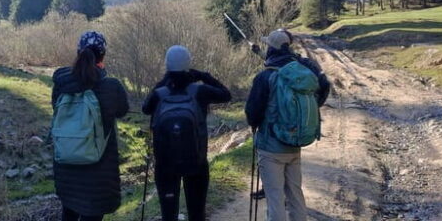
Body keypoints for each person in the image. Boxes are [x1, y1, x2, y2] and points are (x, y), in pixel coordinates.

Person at [245, 29, 331, 221]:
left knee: (275, 198)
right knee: (295, 195)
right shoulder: (302, 71)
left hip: (271, 147)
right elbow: (323, 86)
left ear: (272, 48)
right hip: (295, 143)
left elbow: (252, 113)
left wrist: (255, 123)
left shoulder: (265, 76)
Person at [142, 45, 232, 221]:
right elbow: (226, 95)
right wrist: (203, 76)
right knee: (197, 214)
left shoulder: (159, 94)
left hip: (165, 165)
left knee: (169, 215)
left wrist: (163, 80)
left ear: (167, 65)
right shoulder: (200, 91)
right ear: (188, 64)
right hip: (196, 162)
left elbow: (146, 108)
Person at [51, 31, 129, 221]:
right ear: (102, 56)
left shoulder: (61, 85)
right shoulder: (111, 86)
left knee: (68, 212)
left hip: (66, 168)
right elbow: (122, 110)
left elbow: (55, 107)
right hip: (98, 173)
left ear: (78, 53)